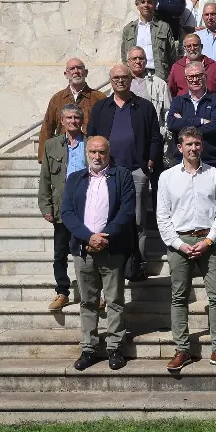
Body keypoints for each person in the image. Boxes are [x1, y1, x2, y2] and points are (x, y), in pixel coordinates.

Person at [156, 127, 216, 374]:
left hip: (209, 241)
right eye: (188, 144)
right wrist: (179, 245)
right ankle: (182, 349)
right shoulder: (167, 177)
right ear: (180, 147)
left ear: (202, 146)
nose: (193, 148)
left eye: (197, 144)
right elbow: (162, 216)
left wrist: (209, 240)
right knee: (179, 298)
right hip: (179, 243)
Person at [61, 136, 135, 371]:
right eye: (92, 151)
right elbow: (67, 212)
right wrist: (87, 237)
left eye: (101, 152)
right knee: (88, 301)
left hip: (111, 249)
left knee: (114, 301)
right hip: (84, 250)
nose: (97, 156)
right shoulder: (75, 179)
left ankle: (115, 348)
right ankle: (89, 348)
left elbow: (126, 210)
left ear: (108, 152)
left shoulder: (121, 176)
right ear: (86, 153)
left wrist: (104, 237)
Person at [87, 65, 163, 273]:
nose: (120, 80)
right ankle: (113, 262)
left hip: (136, 170)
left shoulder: (145, 107)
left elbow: (156, 137)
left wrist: (149, 163)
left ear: (131, 79)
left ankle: (137, 263)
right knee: (108, 217)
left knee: (137, 219)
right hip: (107, 173)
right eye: (116, 77)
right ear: (111, 81)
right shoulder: (101, 107)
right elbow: (91, 137)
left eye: (124, 77)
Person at [38, 103, 88, 311]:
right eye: (68, 118)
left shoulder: (91, 143)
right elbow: (45, 178)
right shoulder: (52, 145)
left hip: (86, 206)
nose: (73, 122)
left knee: (87, 252)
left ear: (82, 120)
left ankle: (91, 293)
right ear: (62, 121)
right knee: (60, 253)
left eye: (76, 118)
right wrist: (46, 206)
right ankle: (62, 292)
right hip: (62, 207)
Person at [37, 58, 105, 163]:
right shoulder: (57, 99)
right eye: (72, 69)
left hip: (91, 156)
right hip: (63, 154)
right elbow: (47, 128)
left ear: (86, 72)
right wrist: (44, 158)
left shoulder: (99, 98)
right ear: (66, 74)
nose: (76, 71)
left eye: (79, 68)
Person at [168, 61, 216, 169]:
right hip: (182, 162)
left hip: (211, 162)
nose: (195, 80)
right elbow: (172, 124)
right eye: (191, 77)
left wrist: (183, 123)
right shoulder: (178, 101)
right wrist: (200, 121)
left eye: (198, 76)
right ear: (186, 79)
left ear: (205, 76)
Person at [125, 46, 171, 161]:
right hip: (127, 139)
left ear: (146, 61)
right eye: (134, 58)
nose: (138, 61)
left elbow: (168, 112)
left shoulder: (159, 84)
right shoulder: (121, 84)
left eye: (141, 58)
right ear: (128, 62)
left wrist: (163, 133)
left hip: (152, 139)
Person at [121, 0, 176, 78]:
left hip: (158, 75)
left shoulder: (164, 27)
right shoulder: (128, 29)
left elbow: (172, 55)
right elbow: (124, 56)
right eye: (142, 2)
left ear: (154, 5)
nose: (146, 5)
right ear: (137, 5)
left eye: (149, 2)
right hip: (135, 75)